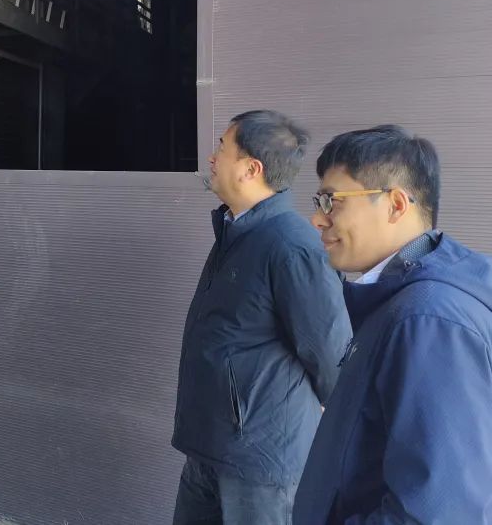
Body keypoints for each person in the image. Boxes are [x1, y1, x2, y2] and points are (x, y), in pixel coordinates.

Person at [294, 125, 492, 524]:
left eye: (331, 201)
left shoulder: (427, 320)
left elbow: (441, 511)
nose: (317, 218)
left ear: (396, 205)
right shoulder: (400, 300)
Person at [171, 110, 351, 524]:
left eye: (222, 147)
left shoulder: (290, 245)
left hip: (260, 464)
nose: (212, 157)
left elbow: (331, 353)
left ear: (251, 168)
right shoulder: (235, 231)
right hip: (210, 446)